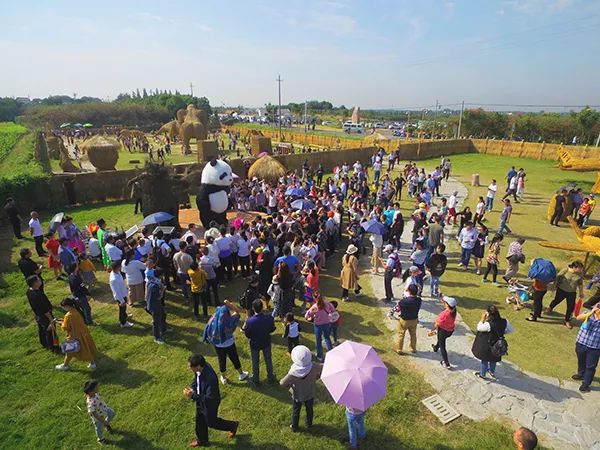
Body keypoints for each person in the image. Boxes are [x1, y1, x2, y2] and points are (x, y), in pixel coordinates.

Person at [183, 354, 239, 447]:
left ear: (198, 366)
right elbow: (196, 379)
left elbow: (209, 399)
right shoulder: (200, 368)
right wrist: (193, 388)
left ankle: (232, 425)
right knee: (200, 420)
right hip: (200, 399)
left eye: (191, 367)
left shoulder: (210, 379)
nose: (189, 368)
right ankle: (202, 440)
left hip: (210, 403)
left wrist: (193, 395)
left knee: (211, 422)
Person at [203, 301, 249, 385]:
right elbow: (238, 311)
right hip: (229, 344)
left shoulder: (213, 319)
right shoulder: (230, 321)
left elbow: (207, 329)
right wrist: (229, 304)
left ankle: (223, 378)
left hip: (218, 345)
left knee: (222, 360)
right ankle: (241, 374)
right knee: (235, 358)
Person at [279, 345, 323, 432]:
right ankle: (309, 423)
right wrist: (316, 376)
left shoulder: (293, 373)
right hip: (310, 392)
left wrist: (290, 386)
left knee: (296, 410)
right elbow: (322, 367)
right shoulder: (313, 366)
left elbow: (282, 383)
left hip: (297, 395)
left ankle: (294, 426)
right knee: (309, 409)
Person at [55, 297, 98, 371]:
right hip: (83, 333)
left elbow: (66, 327)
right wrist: (63, 321)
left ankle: (65, 366)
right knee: (86, 349)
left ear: (67, 306)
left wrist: (59, 323)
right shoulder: (76, 310)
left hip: (74, 336)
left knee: (69, 351)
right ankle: (92, 363)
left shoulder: (68, 315)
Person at [472, 305, 512, 380]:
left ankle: (482, 374)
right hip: (498, 344)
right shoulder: (504, 321)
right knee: (494, 358)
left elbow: (479, 327)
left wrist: (482, 319)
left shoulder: (488, 324)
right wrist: (502, 332)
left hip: (488, 344)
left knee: (485, 359)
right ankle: (491, 371)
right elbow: (510, 330)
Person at [244, 299, 276, 385]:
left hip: (255, 344)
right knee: (268, 360)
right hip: (266, 342)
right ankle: (271, 377)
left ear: (253, 309)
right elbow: (272, 329)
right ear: (262, 307)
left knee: (255, 362)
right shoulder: (269, 318)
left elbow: (247, 334)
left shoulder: (250, 321)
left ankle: (256, 379)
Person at [26, 275, 59, 353]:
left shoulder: (29, 292)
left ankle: (44, 343)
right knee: (50, 332)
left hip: (38, 314)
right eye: (38, 280)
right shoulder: (39, 295)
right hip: (45, 315)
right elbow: (45, 309)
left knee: (42, 330)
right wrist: (51, 319)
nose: (40, 281)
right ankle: (54, 347)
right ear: (35, 283)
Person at [546, 260, 584, 329]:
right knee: (557, 300)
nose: (581, 270)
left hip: (572, 292)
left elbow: (580, 284)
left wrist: (581, 292)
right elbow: (557, 278)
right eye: (580, 268)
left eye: (581, 268)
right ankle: (550, 307)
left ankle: (567, 321)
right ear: (574, 267)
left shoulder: (580, 274)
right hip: (562, 290)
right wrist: (554, 287)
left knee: (571, 307)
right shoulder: (565, 270)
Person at [572, 302, 600, 392]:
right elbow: (578, 318)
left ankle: (586, 383)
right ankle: (581, 374)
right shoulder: (588, 313)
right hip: (581, 343)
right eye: (598, 306)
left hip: (594, 347)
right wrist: (591, 312)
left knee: (590, 366)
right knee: (581, 360)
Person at [305, 291, 336, 362]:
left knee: (318, 340)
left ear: (314, 298)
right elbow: (333, 310)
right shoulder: (327, 304)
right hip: (327, 323)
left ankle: (320, 356)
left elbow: (307, 315)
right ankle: (332, 354)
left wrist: (311, 317)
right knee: (327, 338)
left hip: (318, 325)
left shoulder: (314, 307)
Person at [429, 296, 457, 369]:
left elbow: (438, 324)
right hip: (450, 330)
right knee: (441, 340)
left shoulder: (444, 314)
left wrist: (432, 329)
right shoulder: (454, 311)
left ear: (447, 305)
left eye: (445, 302)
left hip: (443, 331)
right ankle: (435, 347)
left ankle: (446, 363)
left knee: (443, 346)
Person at [395, 284, 422, 355]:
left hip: (404, 320)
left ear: (409, 291)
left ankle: (399, 349)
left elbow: (399, 305)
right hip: (414, 320)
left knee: (401, 334)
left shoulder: (404, 301)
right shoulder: (419, 300)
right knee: (413, 335)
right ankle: (413, 348)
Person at [108, 262, 133, 328]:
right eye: (120, 267)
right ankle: (123, 323)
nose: (121, 268)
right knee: (122, 309)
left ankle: (125, 316)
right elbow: (116, 292)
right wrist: (121, 301)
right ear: (117, 268)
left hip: (123, 294)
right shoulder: (114, 279)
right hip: (120, 297)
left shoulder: (117, 273)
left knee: (124, 309)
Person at [146, 268, 167, 344]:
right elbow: (159, 297)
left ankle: (163, 329)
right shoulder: (155, 285)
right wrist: (163, 290)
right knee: (156, 321)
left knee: (163, 314)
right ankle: (157, 337)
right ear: (160, 275)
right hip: (155, 305)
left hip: (153, 303)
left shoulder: (151, 281)